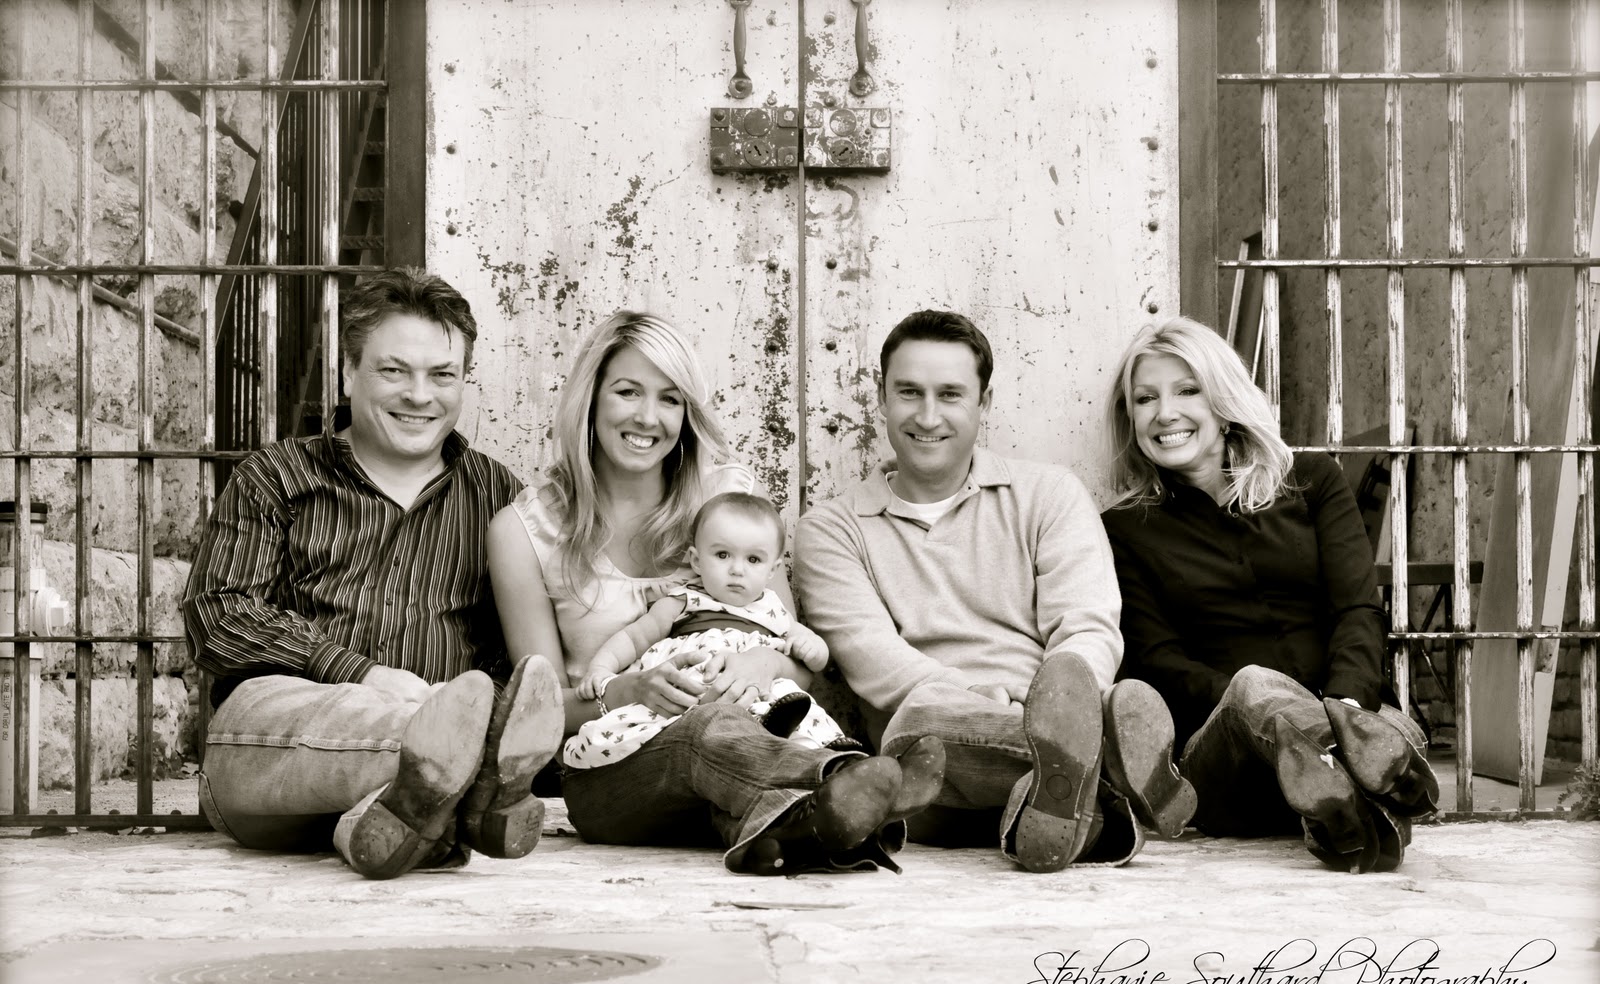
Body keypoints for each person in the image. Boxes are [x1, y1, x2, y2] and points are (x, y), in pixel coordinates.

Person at [487, 311, 944, 875]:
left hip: (730, 767)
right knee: (703, 727)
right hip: (610, 774)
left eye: (670, 399)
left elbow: (793, 659)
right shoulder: (525, 532)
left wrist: (764, 662)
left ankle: (798, 826)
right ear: (590, 397)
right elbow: (542, 711)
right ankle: (854, 783)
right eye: (627, 392)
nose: (648, 417)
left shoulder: (728, 497)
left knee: (735, 758)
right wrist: (628, 689)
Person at [183, 267, 564, 880]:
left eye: (442, 375)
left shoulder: (499, 497)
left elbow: (506, 648)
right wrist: (361, 675)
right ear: (348, 372)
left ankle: (403, 812)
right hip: (272, 764)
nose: (420, 395)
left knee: (460, 730)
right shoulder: (275, 478)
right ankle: (466, 778)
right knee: (266, 703)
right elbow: (217, 618)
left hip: (427, 758)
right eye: (394, 371)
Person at [794, 310, 1196, 873]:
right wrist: (985, 700)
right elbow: (875, 662)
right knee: (918, 722)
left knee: (1095, 698)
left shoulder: (1049, 494)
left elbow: (1088, 626)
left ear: (984, 402)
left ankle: (1061, 799)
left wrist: (1059, 705)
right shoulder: (831, 529)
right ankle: (1101, 775)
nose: (927, 415)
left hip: (1050, 707)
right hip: (933, 768)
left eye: (950, 394)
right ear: (881, 397)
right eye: (909, 392)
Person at [1098, 316, 1439, 873]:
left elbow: (1357, 609)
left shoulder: (1313, 481)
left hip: (1353, 709)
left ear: (1224, 399)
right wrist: (1264, 707)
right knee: (1254, 684)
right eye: (1145, 398)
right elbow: (1157, 660)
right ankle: (1354, 776)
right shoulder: (1124, 530)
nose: (1165, 413)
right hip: (1228, 762)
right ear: (1129, 416)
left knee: (1395, 732)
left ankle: (1341, 815)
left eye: (1187, 390)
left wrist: (1347, 705)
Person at [568, 490, 853, 767]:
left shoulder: (774, 611)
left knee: (791, 707)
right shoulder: (683, 601)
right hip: (688, 695)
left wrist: (812, 649)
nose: (737, 569)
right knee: (643, 728)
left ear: (772, 570)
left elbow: (814, 658)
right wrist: (601, 670)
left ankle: (829, 759)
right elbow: (632, 639)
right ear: (696, 560)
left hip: (754, 693)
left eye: (753, 560)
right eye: (722, 555)